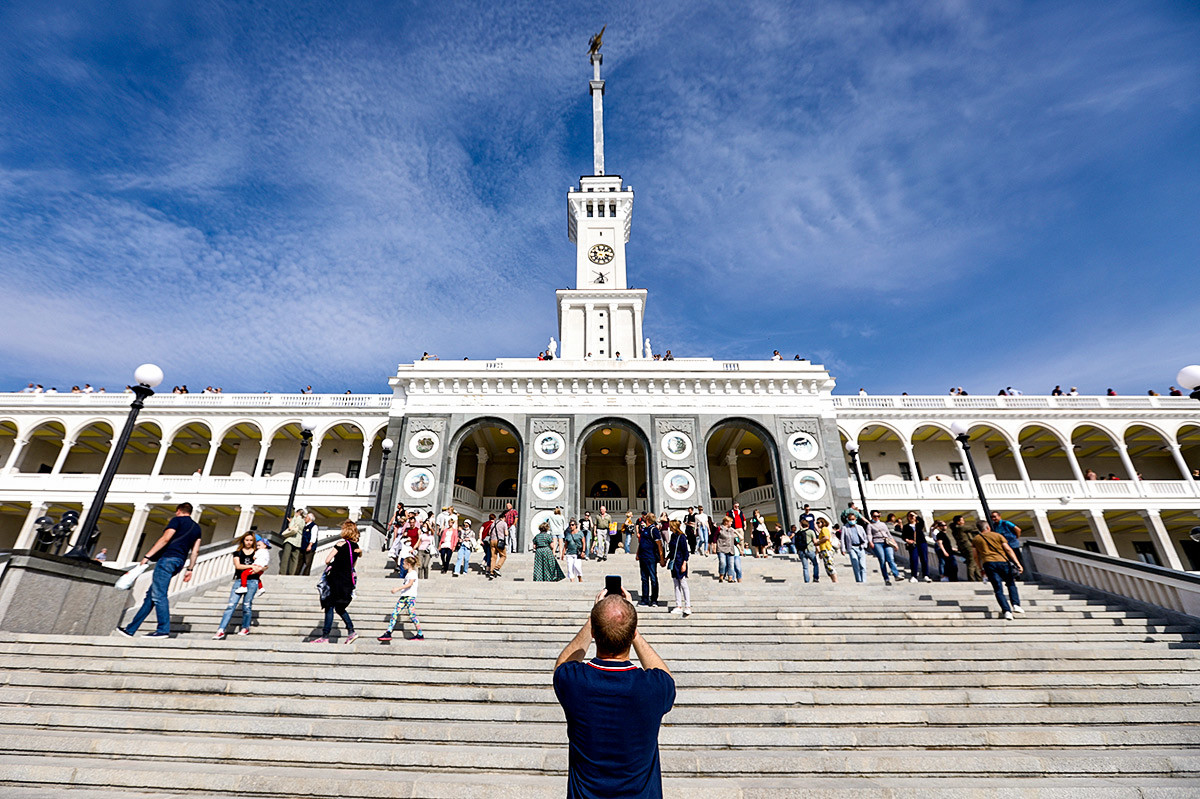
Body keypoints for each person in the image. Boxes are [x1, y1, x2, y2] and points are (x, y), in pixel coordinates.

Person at [553, 589, 675, 799]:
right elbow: (665, 675)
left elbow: (562, 664)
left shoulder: (574, 682)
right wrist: (631, 630)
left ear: (594, 632)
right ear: (632, 632)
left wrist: (594, 619)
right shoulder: (653, 687)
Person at [118, 503, 202, 638]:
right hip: (179, 562)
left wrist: (147, 556)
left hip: (167, 559)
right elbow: (195, 551)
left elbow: (165, 538)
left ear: (179, 511)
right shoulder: (197, 527)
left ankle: (163, 629)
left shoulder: (176, 520)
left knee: (159, 595)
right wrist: (190, 568)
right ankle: (130, 629)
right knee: (151, 596)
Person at [310, 520, 362, 643]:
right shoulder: (356, 549)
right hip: (346, 581)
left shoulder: (340, 544)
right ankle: (351, 631)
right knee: (340, 608)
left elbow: (327, 560)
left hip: (335, 579)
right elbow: (352, 565)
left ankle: (325, 636)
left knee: (329, 606)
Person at [213, 532, 266, 639]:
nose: (249, 542)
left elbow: (265, 565)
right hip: (239, 581)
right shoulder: (238, 552)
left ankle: (245, 627)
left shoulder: (258, 552)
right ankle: (221, 629)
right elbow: (238, 566)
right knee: (231, 605)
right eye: (247, 540)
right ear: (243, 540)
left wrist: (260, 568)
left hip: (252, 581)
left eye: (251, 540)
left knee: (247, 605)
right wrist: (252, 566)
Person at [972, 521, 1024, 620]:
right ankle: (1016, 605)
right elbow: (1008, 549)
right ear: (988, 527)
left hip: (988, 563)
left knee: (998, 589)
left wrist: (980, 568)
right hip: (1003, 561)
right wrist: (1017, 563)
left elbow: (975, 556)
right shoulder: (997, 535)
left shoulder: (976, 539)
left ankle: (1006, 611)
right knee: (1011, 584)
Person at [378, 556, 424, 641]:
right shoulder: (408, 574)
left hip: (410, 597)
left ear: (408, 564)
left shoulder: (413, 573)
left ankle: (420, 634)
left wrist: (398, 588)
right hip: (404, 597)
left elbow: (410, 584)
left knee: (412, 615)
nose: (402, 565)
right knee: (395, 613)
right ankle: (388, 632)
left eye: (404, 563)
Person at [636, 516, 666, 606]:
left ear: (648, 519)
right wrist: (638, 553)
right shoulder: (644, 529)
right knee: (644, 579)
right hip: (643, 557)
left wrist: (661, 558)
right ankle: (645, 599)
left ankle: (654, 599)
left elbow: (659, 544)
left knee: (653, 578)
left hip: (651, 557)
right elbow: (641, 543)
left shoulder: (654, 530)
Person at [866, 510, 901, 586]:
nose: (876, 518)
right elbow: (869, 535)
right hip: (877, 542)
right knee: (882, 560)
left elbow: (888, 534)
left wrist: (895, 543)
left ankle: (896, 574)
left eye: (878, 516)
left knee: (890, 558)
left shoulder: (883, 524)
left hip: (886, 542)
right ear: (871, 516)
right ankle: (886, 578)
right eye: (874, 516)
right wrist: (870, 542)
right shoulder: (870, 525)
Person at [666, 520, 691, 616]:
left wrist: (684, 563)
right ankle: (678, 605)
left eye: (670, 526)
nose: (669, 527)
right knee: (676, 584)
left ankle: (688, 606)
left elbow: (686, 552)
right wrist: (667, 558)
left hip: (680, 562)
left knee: (683, 583)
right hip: (674, 562)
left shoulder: (682, 537)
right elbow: (672, 550)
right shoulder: (673, 536)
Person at [989, 511, 1025, 575]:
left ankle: (1019, 574)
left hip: (1013, 545)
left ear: (999, 516)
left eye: (994, 517)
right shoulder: (994, 526)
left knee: (1016, 559)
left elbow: (1018, 529)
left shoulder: (1006, 523)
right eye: (992, 517)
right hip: (1003, 547)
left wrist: (1016, 537)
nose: (993, 519)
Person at [839, 511, 869, 582]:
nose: (852, 521)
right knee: (855, 564)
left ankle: (864, 580)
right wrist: (843, 549)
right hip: (852, 547)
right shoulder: (844, 528)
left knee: (862, 565)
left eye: (853, 519)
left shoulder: (860, 527)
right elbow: (842, 539)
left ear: (855, 519)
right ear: (848, 520)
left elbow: (865, 537)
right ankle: (858, 580)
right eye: (850, 519)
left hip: (860, 547)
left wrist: (865, 545)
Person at [949, 515, 980, 581]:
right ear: (958, 522)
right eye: (962, 520)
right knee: (971, 563)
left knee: (973, 562)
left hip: (962, 547)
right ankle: (972, 579)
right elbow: (972, 527)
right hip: (968, 546)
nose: (963, 522)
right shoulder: (960, 528)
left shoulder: (954, 529)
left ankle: (979, 578)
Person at [902, 511, 931, 582]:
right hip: (913, 544)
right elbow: (903, 536)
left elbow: (922, 521)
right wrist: (907, 540)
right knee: (914, 559)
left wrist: (916, 516)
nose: (911, 517)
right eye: (910, 516)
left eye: (913, 516)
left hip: (922, 542)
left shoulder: (919, 525)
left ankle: (925, 575)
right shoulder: (906, 526)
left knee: (924, 559)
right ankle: (914, 575)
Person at [280, 508, 306, 575]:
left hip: (290, 539)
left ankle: (282, 572)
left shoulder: (296, 518)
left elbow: (291, 527)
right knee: (294, 559)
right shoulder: (303, 521)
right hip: (298, 541)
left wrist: (291, 522)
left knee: (285, 557)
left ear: (297, 513)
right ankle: (292, 573)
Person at [814, 518, 838, 582]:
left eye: (818, 522)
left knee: (830, 565)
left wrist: (818, 542)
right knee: (828, 566)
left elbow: (826, 537)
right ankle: (833, 580)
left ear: (822, 523)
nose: (817, 524)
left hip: (826, 548)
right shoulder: (823, 529)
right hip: (824, 549)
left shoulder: (824, 529)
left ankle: (835, 580)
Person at [714, 516, 737, 583]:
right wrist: (714, 546)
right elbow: (715, 537)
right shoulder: (719, 528)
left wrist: (739, 548)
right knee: (723, 562)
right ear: (726, 522)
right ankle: (721, 575)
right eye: (731, 522)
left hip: (730, 549)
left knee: (731, 564)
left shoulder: (731, 530)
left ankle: (730, 577)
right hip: (721, 548)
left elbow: (734, 540)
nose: (732, 523)